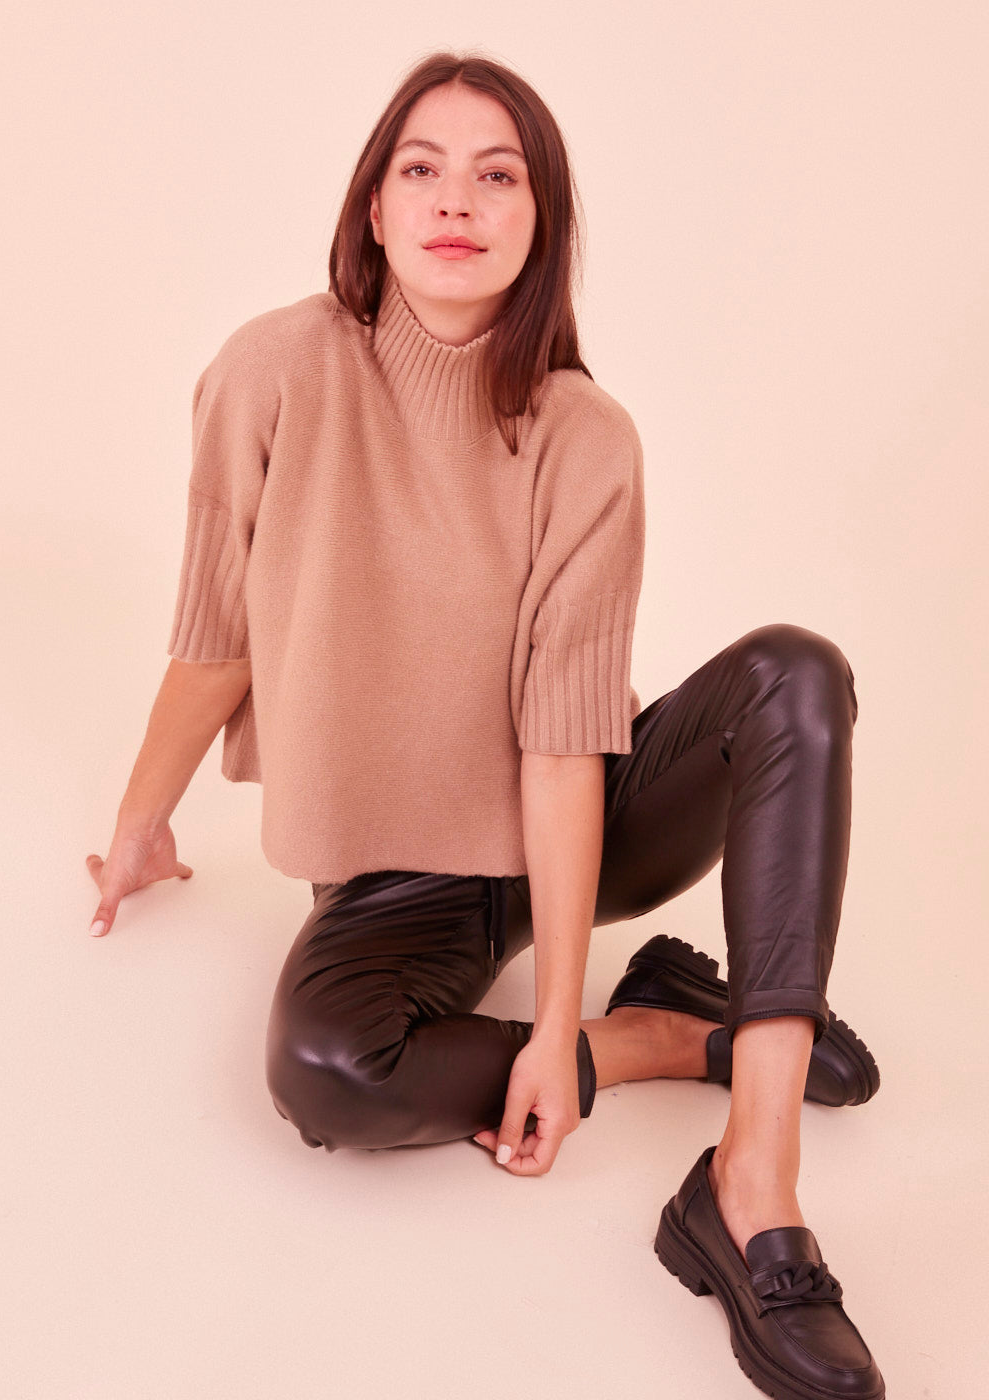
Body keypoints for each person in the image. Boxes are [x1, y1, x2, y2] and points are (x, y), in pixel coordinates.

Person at [85, 50, 885, 1400]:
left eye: (498, 175)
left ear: (540, 220)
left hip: (583, 818)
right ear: (375, 208)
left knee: (796, 673)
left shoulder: (585, 434)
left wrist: (552, 1021)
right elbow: (216, 637)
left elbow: (566, 742)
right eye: (423, 168)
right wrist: (139, 823)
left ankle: (752, 1185)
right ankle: (672, 1030)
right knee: (324, 1072)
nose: (457, 200)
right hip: (402, 884)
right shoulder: (272, 372)